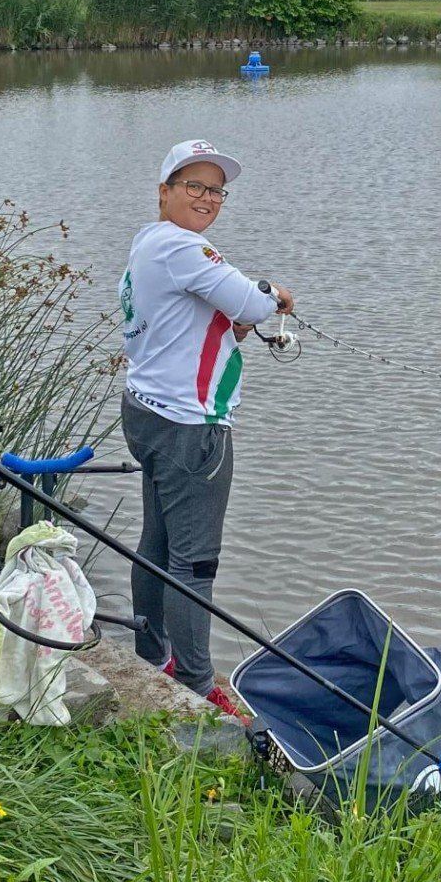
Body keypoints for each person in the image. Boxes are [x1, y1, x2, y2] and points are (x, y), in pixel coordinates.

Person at [118, 140, 291, 720]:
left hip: (146, 410)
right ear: (164, 191)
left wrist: (242, 313)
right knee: (194, 561)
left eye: (216, 189)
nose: (207, 198)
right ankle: (195, 684)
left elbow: (207, 313)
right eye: (193, 185)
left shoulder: (149, 241)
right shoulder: (186, 247)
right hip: (192, 427)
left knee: (158, 542)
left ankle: (152, 653)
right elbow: (250, 301)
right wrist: (272, 295)